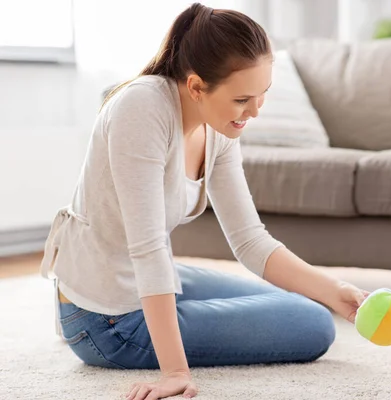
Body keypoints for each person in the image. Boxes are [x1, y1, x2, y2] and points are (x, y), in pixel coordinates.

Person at [40, 3, 368, 399]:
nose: (254, 112)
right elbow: (148, 247)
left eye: (262, 95)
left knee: (304, 303)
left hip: (151, 279)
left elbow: (250, 240)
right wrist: (175, 373)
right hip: (109, 320)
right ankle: (77, 318)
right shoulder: (141, 109)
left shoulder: (220, 128)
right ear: (196, 87)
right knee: (313, 324)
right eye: (242, 99)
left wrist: (335, 290)